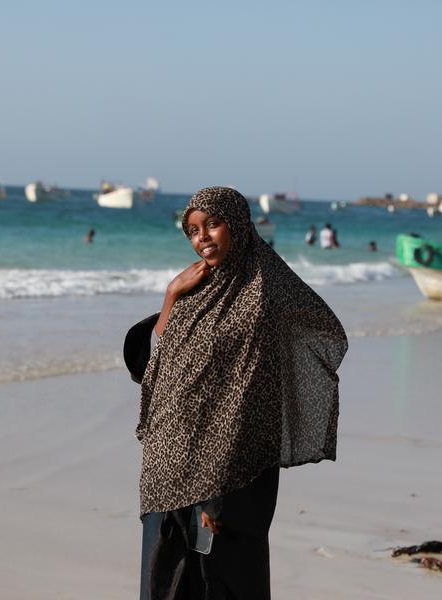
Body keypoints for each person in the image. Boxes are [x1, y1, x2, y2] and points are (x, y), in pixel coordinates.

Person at [124, 187, 347, 600]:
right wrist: (171, 294)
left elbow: (248, 397)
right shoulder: (195, 286)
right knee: (163, 574)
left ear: (239, 225)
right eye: (193, 231)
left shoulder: (263, 292)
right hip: (168, 462)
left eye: (212, 224)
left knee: (221, 577)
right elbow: (158, 363)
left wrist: (216, 495)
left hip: (229, 471)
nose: (202, 238)